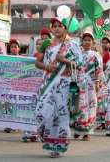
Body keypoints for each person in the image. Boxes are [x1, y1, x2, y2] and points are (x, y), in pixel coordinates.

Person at [35, 17, 83, 157]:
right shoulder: (47, 43)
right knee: (43, 113)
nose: (56, 28)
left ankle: (58, 145)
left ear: (65, 28)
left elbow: (79, 65)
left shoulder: (72, 45)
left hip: (64, 84)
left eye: (59, 26)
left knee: (61, 115)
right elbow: (38, 63)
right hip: (48, 82)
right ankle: (48, 139)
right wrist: (47, 66)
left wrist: (64, 60)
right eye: (54, 26)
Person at [72, 32, 102, 141]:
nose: (87, 42)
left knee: (90, 106)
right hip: (78, 83)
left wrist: (97, 82)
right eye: (85, 40)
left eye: (89, 40)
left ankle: (87, 131)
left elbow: (98, 69)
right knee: (77, 105)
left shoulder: (95, 55)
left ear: (92, 42)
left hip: (90, 84)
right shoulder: (77, 54)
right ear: (82, 42)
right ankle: (78, 129)